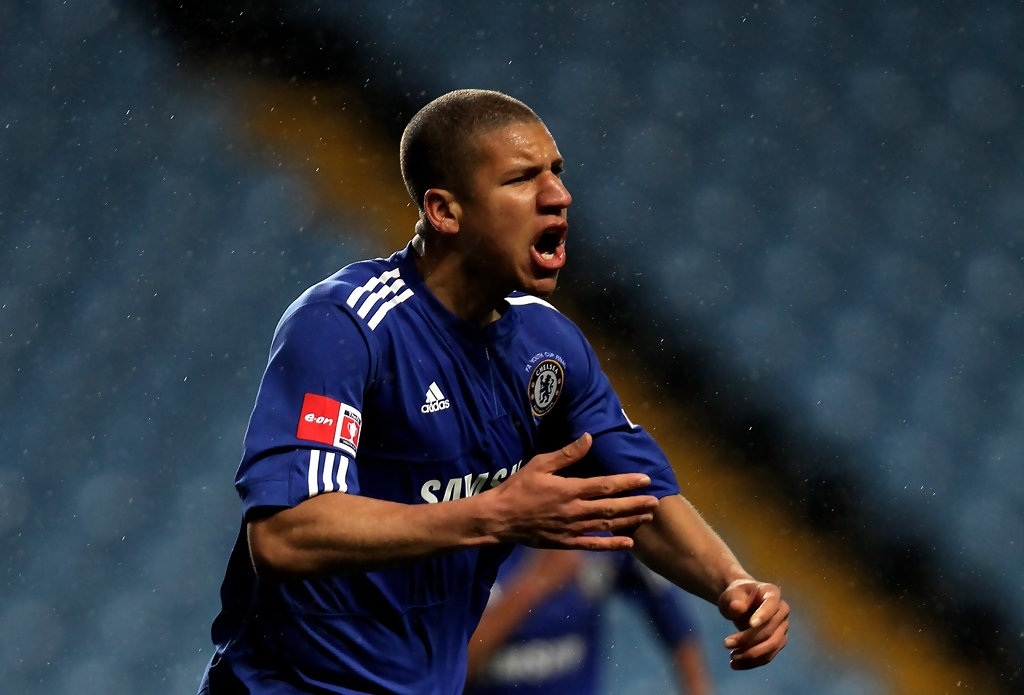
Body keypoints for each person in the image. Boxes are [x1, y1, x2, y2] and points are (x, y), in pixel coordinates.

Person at [197, 88, 789, 695]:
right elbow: (285, 533)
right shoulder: (346, 326)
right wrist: (493, 513)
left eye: (556, 172)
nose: (558, 195)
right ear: (445, 212)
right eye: (522, 178)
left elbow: (639, 498)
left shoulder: (548, 345)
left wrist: (732, 583)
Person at [465, 547, 715, 695]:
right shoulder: (472, 547)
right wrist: (535, 584)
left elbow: (677, 628)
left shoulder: (600, 535)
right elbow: (460, 666)